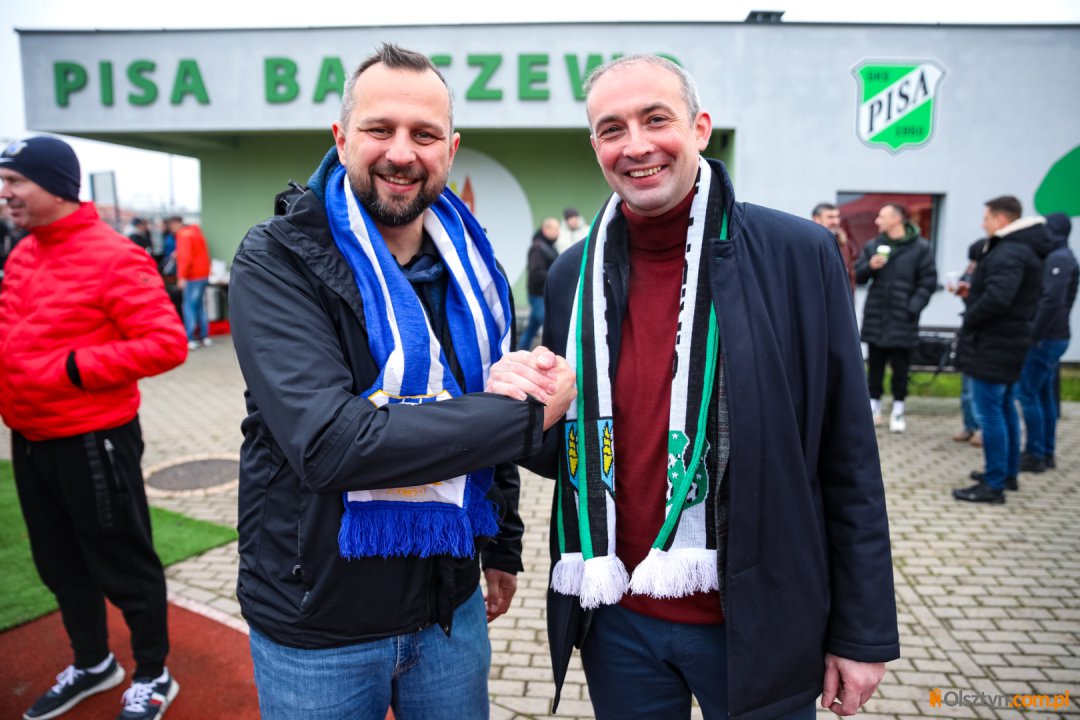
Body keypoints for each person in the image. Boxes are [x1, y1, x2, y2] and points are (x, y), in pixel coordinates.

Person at [493, 54, 898, 720]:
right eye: (613, 129)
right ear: (595, 147)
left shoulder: (797, 255)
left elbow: (847, 453)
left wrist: (861, 633)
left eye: (656, 119)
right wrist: (519, 407)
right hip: (617, 619)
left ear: (700, 128)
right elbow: (566, 452)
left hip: (756, 622)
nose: (636, 145)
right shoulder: (573, 274)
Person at [229, 44, 575, 719]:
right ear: (341, 139)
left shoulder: (473, 267)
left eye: (424, 134)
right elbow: (331, 444)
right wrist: (528, 415)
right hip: (320, 622)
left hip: (449, 607)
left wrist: (502, 543)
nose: (401, 152)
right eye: (379, 129)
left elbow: (486, 406)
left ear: (451, 148)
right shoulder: (277, 258)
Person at [0, 136, 187, 720]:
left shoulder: (115, 255)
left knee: (124, 564)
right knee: (58, 564)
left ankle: (153, 674)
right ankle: (93, 663)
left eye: (15, 181)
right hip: (30, 438)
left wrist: (72, 368)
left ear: (56, 186)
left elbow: (167, 344)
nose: (5, 193)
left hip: (92, 439)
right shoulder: (22, 252)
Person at [953, 196, 1051, 504]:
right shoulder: (1021, 249)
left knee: (990, 413)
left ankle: (994, 484)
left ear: (1001, 220)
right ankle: (1006, 474)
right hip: (1009, 340)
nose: (983, 224)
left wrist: (970, 316)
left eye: (986, 218)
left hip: (996, 342)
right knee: (1005, 406)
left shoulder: (1009, 251)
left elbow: (998, 297)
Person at [855, 203, 937, 433]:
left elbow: (928, 282)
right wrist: (869, 267)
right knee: (875, 366)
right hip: (877, 316)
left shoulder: (921, 248)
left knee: (901, 368)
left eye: (882, 216)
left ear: (896, 219)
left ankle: (898, 409)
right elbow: (858, 276)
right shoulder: (874, 245)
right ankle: (874, 408)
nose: (877, 221)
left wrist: (912, 308)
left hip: (904, 319)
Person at [1015, 213, 1077, 473]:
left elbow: (1051, 300)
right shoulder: (1060, 256)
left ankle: (1036, 453)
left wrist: (1033, 333)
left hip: (1046, 338)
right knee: (1043, 395)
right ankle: (1045, 452)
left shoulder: (1059, 258)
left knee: (1027, 394)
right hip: (1051, 336)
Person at [950, 239, 984, 446]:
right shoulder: (970, 270)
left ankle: (981, 428)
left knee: (976, 389)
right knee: (966, 388)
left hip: (983, 335)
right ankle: (969, 425)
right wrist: (962, 292)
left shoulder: (990, 270)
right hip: (969, 332)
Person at [168, 217, 212, 350]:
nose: (171, 229)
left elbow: (186, 258)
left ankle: (190, 338)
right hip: (203, 274)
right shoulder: (196, 232)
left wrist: (181, 277)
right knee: (199, 306)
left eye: (171, 226)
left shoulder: (183, 235)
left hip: (192, 276)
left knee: (188, 306)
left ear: (176, 224)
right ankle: (204, 336)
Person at [519, 216, 560, 350]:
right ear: (545, 230)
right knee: (552, 329)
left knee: (532, 329)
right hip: (539, 295)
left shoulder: (548, 246)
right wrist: (556, 276)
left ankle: (521, 350)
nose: (558, 232)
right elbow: (536, 272)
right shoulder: (538, 247)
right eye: (555, 229)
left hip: (543, 294)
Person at [812, 202, 857, 293]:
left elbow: (851, 276)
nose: (835, 222)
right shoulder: (809, 242)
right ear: (816, 219)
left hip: (841, 296)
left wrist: (849, 298)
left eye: (837, 217)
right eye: (830, 217)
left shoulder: (844, 242)